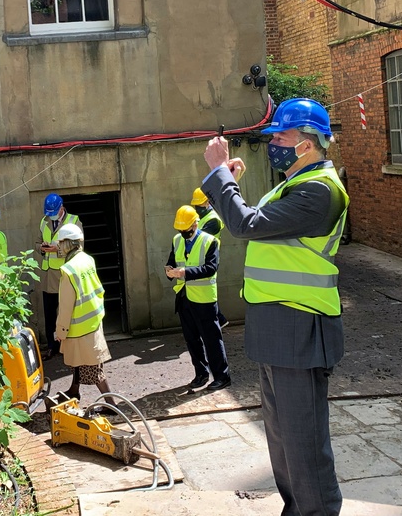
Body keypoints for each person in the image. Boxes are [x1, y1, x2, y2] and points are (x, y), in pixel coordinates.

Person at [201, 97, 348, 516]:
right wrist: (227, 185)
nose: (273, 142)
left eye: (281, 135)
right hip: (278, 325)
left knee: (303, 445)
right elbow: (250, 220)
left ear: (308, 142)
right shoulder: (293, 185)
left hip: (300, 324)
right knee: (283, 444)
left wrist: (217, 173)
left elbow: (245, 225)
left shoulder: (320, 191)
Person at [165, 205, 231, 391]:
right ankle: (201, 374)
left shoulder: (209, 241)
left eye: (186, 229)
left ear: (195, 223)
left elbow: (211, 268)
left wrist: (184, 272)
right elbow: (172, 261)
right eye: (181, 229)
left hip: (204, 299)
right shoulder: (177, 240)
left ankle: (222, 376)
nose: (183, 232)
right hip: (184, 296)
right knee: (191, 339)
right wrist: (169, 270)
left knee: (212, 339)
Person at [53, 223, 112, 399]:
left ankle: (111, 404)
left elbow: (65, 306)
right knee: (79, 364)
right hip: (93, 320)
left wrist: (60, 331)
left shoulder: (68, 270)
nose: (58, 247)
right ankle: (74, 390)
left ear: (67, 243)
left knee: (93, 369)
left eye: (60, 243)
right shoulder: (87, 259)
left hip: (78, 328)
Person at [36, 193, 81, 358]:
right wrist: (42, 248)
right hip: (48, 276)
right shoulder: (44, 221)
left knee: (66, 311)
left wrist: (58, 249)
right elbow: (37, 241)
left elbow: (79, 245)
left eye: (53, 212)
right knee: (49, 313)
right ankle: (52, 346)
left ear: (61, 208)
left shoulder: (74, 221)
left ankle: (68, 344)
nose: (51, 215)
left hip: (65, 275)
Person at [192, 187, 230, 329]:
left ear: (208, 202)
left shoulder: (213, 219)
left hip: (209, 259)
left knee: (207, 291)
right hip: (199, 258)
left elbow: (197, 238)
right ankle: (218, 319)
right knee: (203, 290)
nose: (197, 208)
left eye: (199, 205)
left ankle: (218, 318)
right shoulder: (201, 218)